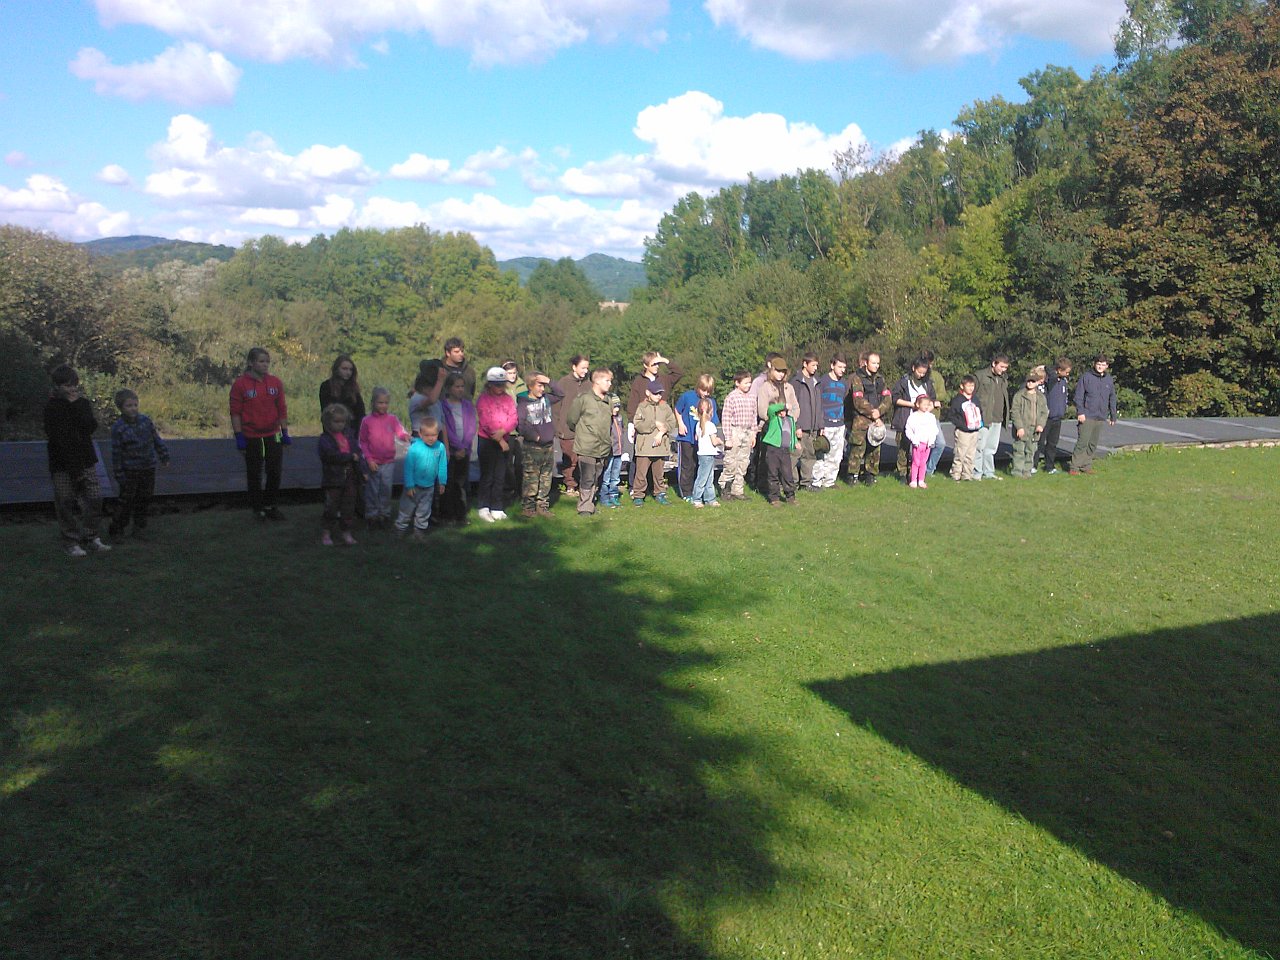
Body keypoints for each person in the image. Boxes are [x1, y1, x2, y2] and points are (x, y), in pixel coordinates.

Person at [44, 365, 110, 557]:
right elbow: (57, 435)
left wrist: (76, 406)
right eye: (67, 385)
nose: (72, 389)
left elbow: (89, 426)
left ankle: (91, 536)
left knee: (95, 498)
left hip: (85, 459)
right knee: (65, 501)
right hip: (62, 462)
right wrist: (72, 467)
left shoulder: (82, 404)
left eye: (74, 385)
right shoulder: (52, 407)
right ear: (57, 386)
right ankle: (70, 541)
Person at [229, 347, 289, 521]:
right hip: (251, 435)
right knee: (255, 473)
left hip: (273, 433)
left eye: (267, 362)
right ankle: (258, 508)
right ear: (251, 363)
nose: (265, 365)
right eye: (261, 361)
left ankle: (271, 505)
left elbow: (281, 408)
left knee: (275, 471)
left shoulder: (275, 383)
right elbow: (235, 412)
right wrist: (239, 436)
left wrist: (285, 432)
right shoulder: (240, 384)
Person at [108, 388, 169, 540]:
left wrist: (164, 455)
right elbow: (116, 453)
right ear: (121, 408)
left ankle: (139, 528)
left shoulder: (146, 421)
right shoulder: (118, 428)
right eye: (129, 406)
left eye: (135, 405)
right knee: (126, 501)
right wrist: (118, 473)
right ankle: (117, 529)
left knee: (144, 499)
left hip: (148, 467)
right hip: (129, 471)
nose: (133, 408)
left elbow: (156, 440)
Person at [357, 387, 410, 530]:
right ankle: (371, 516)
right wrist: (369, 459)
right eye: (380, 403)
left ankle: (384, 515)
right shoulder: (367, 421)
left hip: (388, 462)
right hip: (373, 462)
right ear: (373, 403)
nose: (383, 406)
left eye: (386, 403)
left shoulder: (392, 419)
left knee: (386, 489)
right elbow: (362, 442)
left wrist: (405, 436)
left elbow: (400, 431)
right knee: (372, 490)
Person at [565, 368, 614, 515]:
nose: (610, 384)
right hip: (587, 446)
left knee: (595, 477)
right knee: (587, 477)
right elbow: (571, 420)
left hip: (603, 447)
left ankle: (590, 503)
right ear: (597, 381)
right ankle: (584, 507)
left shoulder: (609, 400)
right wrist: (584, 434)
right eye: (607, 380)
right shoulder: (584, 399)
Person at [317, 403, 365, 546]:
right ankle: (326, 531)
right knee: (331, 506)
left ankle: (346, 531)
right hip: (333, 477)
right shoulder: (325, 439)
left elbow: (357, 452)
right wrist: (349, 457)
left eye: (342, 421)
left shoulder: (349, 436)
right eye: (336, 421)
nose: (340, 424)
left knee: (348, 506)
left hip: (350, 476)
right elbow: (329, 455)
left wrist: (362, 470)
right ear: (327, 422)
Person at [395, 416, 448, 541]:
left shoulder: (440, 447)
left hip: (429, 486)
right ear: (420, 434)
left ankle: (419, 531)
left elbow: (442, 465)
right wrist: (409, 485)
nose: (431, 438)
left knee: (424, 510)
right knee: (406, 508)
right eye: (427, 435)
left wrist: (442, 482)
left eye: (434, 435)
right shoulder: (414, 449)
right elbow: (408, 468)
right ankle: (400, 529)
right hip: (414, 486)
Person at [476, 367, 518, 522]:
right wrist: (499, 439)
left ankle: (497, 507)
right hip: (488, 440)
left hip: (504, 439)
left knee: (500, 475)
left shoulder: (508, 399)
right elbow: (485, 422)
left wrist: (503, 431)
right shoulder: (483, 399)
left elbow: (513, 418)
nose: (500, 387)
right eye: (496, 384)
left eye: (502, 384)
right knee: (487, 475)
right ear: (489, 384)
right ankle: (484, 506)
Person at [845, 351, 892, 485]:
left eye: (878, 363)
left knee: (874, 449)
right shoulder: (857, 378)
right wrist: (872, 412)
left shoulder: (880, 379)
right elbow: (858, 400)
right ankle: (852, 475)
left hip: (877, 419)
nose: (876, 366)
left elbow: (887, 398)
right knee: (857, 448)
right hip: (861, 419)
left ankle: (870, 475)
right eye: (873, 363)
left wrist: (879, 411)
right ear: (866, 363)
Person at [516, 371, 560, 518]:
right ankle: (528, 507)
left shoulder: (546, 399)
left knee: (546, 477)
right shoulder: (523, 403)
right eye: (539, 386)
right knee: (531, 477)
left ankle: (542, 506)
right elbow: (521, 425)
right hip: (532, 447)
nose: (542, 389)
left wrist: (549, 381)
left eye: (543, 386)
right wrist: (535, 436)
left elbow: (560, 394)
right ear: (530, 386)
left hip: (548, 445)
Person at [757, 357, 800, 506]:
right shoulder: (765, 387)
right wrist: (776, 414)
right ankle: (773, 496)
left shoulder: (789, 387)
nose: (781, 374)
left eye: (783, 371)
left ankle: (790, 495)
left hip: (786, 430)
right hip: (771, 429)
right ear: (772, 370)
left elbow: (795, 407)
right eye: (778, 371)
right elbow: (763, 410)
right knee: (772, 469)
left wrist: (789, 417)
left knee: (787, 469)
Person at [438, 372, 477, 524]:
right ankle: (447, 515)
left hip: (464, 450)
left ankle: (461, 514)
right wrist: (457, 446)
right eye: (457, 386)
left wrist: (465, 446)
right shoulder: (443, 405)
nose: (460, 389)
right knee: (448, 482)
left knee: (460, 483)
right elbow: (446, 428)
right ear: (449, 388)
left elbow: (471, 427)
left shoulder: (467, 405)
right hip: (451, 450)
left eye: (462, 386)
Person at [631, 384, 678, 506]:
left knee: (659, 474)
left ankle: (660, 494)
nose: (658, 396)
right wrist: (654, 423)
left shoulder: (665, 407)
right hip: (644, 447)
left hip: (661, 447)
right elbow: (638, 425)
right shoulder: (642, 407)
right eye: (655, 393)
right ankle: (638, 495)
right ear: (648, 393)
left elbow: (672, 423)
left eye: (660, 393)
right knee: (641, 474)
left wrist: (662, 432)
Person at [891, 357, 937, 480]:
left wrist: (927, 408)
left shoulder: (928, 383)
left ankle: (916, 474)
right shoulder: (903, 382)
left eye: (924, 373)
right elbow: (895, 399)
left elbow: (932, 399)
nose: (921, 375)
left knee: (919, 449)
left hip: (922, 421)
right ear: (913, 368)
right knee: (903, 447)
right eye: (919, 372)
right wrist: (912, 405)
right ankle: (902, 473)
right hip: (905, 417)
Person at [1071, 355, 1118, 475]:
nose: (1100, 367)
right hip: (1087, 415)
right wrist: (1080, 412)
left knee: (1092, 444)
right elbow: (1078, 396)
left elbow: (1112, 397)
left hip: (1101, 416)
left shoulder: (1108, 379)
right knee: (1082, 442)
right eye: (1098, 364)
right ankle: (1074, 467)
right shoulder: (1086, 377)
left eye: (1103, 365)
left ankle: (1086, 465)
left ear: (1107, 366)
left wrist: (1113, 415)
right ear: (1094, 364)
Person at [674, 374, 718, 501]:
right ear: (698, 386)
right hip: (687, 437)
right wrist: (680, 424)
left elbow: (713, 421)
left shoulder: (711, 402)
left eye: (708, 391)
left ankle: (699, 492)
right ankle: (686, 492)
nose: (706, 394)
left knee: (701, 466)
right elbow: (677, 410)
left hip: (703, 441)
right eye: (703, 390)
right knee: (687, 465)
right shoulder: (687, 396)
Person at [553, 355, 592, 495]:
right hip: (566, 429)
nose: (585, 371)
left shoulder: (588, 384)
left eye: (587, 368)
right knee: (570, 459)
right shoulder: (563, 383)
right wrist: (558, 427)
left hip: (584, 430)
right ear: (574, 367)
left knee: (584, 458)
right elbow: (556, 407)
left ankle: (583, 485)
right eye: (583, 368)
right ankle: (570, 485)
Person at [812, 354, 849, 490]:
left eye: (844, 367)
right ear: (832, 366)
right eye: (840, 367)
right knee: (821, 453)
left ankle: (829, 481)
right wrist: (820, 423)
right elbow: (818, 403)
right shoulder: (823, 381)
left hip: (839, 423)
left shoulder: (844, 383)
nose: (842, 370)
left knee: (836, 455)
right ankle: (817, 481)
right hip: (825, 424)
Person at [719, 371, 756, 501]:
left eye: (750, 382)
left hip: (747, 431)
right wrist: (728, 438)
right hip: (735, 430)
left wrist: (753, 434)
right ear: (737, 383)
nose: (748, 385)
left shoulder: (752, 397)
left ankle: (738, 490)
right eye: (745, 383)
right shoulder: (731, 397)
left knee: (743, 462)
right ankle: (725, 488)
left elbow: (754, 416)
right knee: (731, 462)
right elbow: (726, 418)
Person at [973, 353, 1011, 480]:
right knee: (979, 447)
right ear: (994, 363)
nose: (1003, 370)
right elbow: (970, 394)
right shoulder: (980, 376)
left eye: (1006, 367)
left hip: (997, 417)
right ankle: (976, 472)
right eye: (1001, 366)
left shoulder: (1003, 378)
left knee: (991, 448)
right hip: (983, 417)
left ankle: (988, 472)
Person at [790, 353, 822, 491]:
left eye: (816, 365)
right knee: (794, 456)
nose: (815, 368)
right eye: (813, 365)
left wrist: (820, 425)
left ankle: (806, 483)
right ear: (805, 364)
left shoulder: (816, 382)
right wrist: (796, 426)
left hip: (813, 427)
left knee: (809, 456)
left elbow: (819, 404)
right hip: (800, 427)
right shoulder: (796, 382)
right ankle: (791, 483)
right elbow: (793, 405)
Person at [1037, 357, 1074, 473]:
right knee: (1039, 442)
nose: (1067, 374)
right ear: (1059, 370)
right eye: (1066, 372)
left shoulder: (1064, 381)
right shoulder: (1051, 380)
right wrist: (1047, 368)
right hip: (1047, 417)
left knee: (1052, 444)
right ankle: (1033, 465)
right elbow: (1049, 370)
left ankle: (1050, 466)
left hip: (1058, 417)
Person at [1010, 367, 1048, 478]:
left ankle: (1027, 471)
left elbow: (1044, 412)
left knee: (1030, 451)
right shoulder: (1019, 395)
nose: (1030, 383)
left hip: (1034, 428)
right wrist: (1019, 427)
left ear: (1037, 383)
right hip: (1022, 428)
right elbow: (1015, 412)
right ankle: (1017, 472)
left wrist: (1040, 425)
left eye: (1033, 381)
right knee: (1019, 450)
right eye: (1028, 381)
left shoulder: (1041, 397)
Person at [947, 375, 984, 481]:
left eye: (972, 386)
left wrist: (980, 423)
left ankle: (967, 475)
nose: (971, 388)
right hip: (963, 432)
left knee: (971, 454)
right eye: (968, 386)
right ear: (962, 386)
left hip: (974, 431)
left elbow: (980, 412)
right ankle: (956, 474)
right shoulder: (957, 400)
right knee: (960, 454)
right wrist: (962, 425)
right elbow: (952, 416)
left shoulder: (975, 399)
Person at [626, 351, 683, 418]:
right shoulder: (639, 381)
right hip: (645, 420)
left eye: (658, 364)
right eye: (654, 364)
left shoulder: (664, 379)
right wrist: (631, 420)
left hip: (662, 419)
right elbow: (633, 402)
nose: (657, 366)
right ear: (645, 365)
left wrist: (664, 360)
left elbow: (679, 373)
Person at [920, 350, 948, 477]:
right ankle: (917, 469)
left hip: (933, 416)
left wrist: (932, 399)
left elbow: (943, 394)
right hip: (919, 415)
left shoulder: (937, 376)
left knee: (940, 443)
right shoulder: (915, 376)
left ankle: (929, 469)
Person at [319, 355, 366, 429]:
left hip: (352, 428)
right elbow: (326, 410)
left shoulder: (353, 387)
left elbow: (360, 411)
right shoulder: (326, 386)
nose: (348, 372)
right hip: (333, 427)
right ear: (336, 369)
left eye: (350, 370)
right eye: (344, 369)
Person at [691, 397, 722, 508]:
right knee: (703, 478)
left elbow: (697, 438)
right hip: (708, 455)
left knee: (708, 478)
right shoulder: (711, 425)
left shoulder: (698, 425)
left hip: (702, 454)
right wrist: (720, 441)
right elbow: (714, 442)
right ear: (711, 411)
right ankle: (697, 499)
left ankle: (710, 499)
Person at [904, 395, 940, 489]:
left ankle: (921, 480)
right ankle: (913, 480)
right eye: (924, 404)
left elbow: (934, 430)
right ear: (917, 404)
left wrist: (931, 440)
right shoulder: (913, 416)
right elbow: (908, 430)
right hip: (917, 443)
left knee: (923, 462)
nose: (926, 407)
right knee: (916, 462)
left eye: (928, 405)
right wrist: (914, 440)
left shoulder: (931, 417)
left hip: (927, 444)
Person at [600, 391, 626, 509]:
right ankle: (604, 496)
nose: (616, 409)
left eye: (618, 407)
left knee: (615, 476)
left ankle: (614, 495)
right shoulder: (606, 418)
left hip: (618, 452)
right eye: (614, 406)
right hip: (609, 451)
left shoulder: (619, 418)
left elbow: (622, 431)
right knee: (606, 476)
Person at [408, 361, 446, 434]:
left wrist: (445, 442)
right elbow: (431, 400)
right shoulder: (416, 398)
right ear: (423, 387)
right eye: (432, 388)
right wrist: (440, 381)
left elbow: (442, 424)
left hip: (436, 436)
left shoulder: (437, 402)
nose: (436, 391)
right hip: (421, 436)